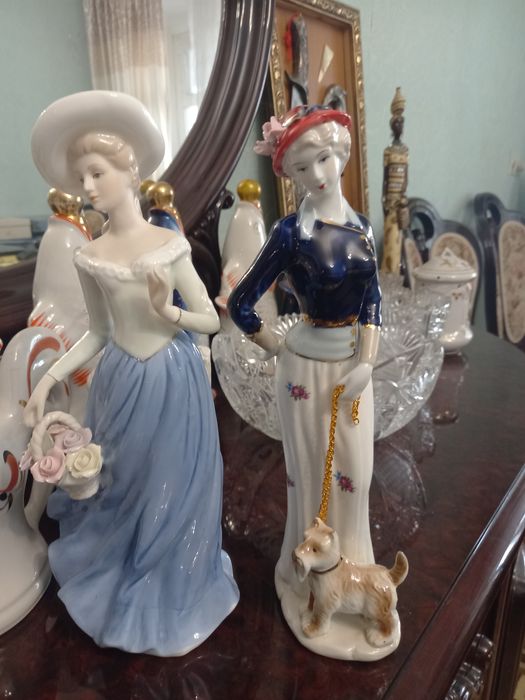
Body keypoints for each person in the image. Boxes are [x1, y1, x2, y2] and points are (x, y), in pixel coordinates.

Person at [24, 90, 239, 656]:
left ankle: (174, 583)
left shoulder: (168, 245)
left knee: (174, 484)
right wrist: (47, 379)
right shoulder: (90, 255)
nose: (88, 187)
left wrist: (170, 313)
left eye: (97, 173)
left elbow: (209, 320)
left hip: (173, 379)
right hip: (120, 382)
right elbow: (97, 332)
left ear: (129, 172)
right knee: (125, 485)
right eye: (81, 178)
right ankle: (126, 571)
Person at [228, 105, 387, 660]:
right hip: (305, 370)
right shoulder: (290, 234)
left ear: (340, 153)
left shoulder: (363, 226)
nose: (315, 175)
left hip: (354, 370)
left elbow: (373, 300)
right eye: (300, 168)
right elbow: (242, 303)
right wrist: (277, 346)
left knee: (356, 477)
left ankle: (354, 572)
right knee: (311, 478)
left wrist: (367, 362)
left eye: (322, 159)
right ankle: (308, 577)